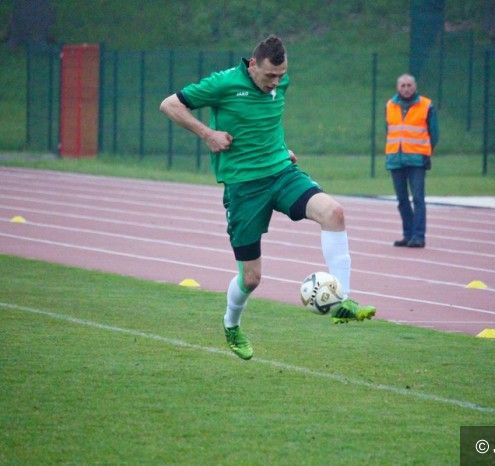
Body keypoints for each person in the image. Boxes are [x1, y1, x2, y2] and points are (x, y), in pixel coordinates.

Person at [160, 35, 376, 360]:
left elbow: (269, 121)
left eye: (281, 75)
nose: (275, 82)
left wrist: (280, 148)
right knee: (251, 279)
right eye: (270, 75)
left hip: (281, 174)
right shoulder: (223, 83)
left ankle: (342, 301)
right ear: (252, 65)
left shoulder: (280, 82)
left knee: (334, 213)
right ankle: (231, 325)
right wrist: (208, 134)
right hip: (245, 188)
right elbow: (169, 105)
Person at [385, 74, 439, 248]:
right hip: (396, 159)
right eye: (403, 85)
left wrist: (425, 151)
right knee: (402, 200)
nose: (406, 89)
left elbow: (434, 133)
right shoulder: (390, 105)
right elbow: (389, 130)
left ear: (415, 86)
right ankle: (408, 234)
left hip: (417, 159)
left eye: (409, 85)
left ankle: (419, 236)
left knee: (418, 198)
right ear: (397, 87)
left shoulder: (426, 105)